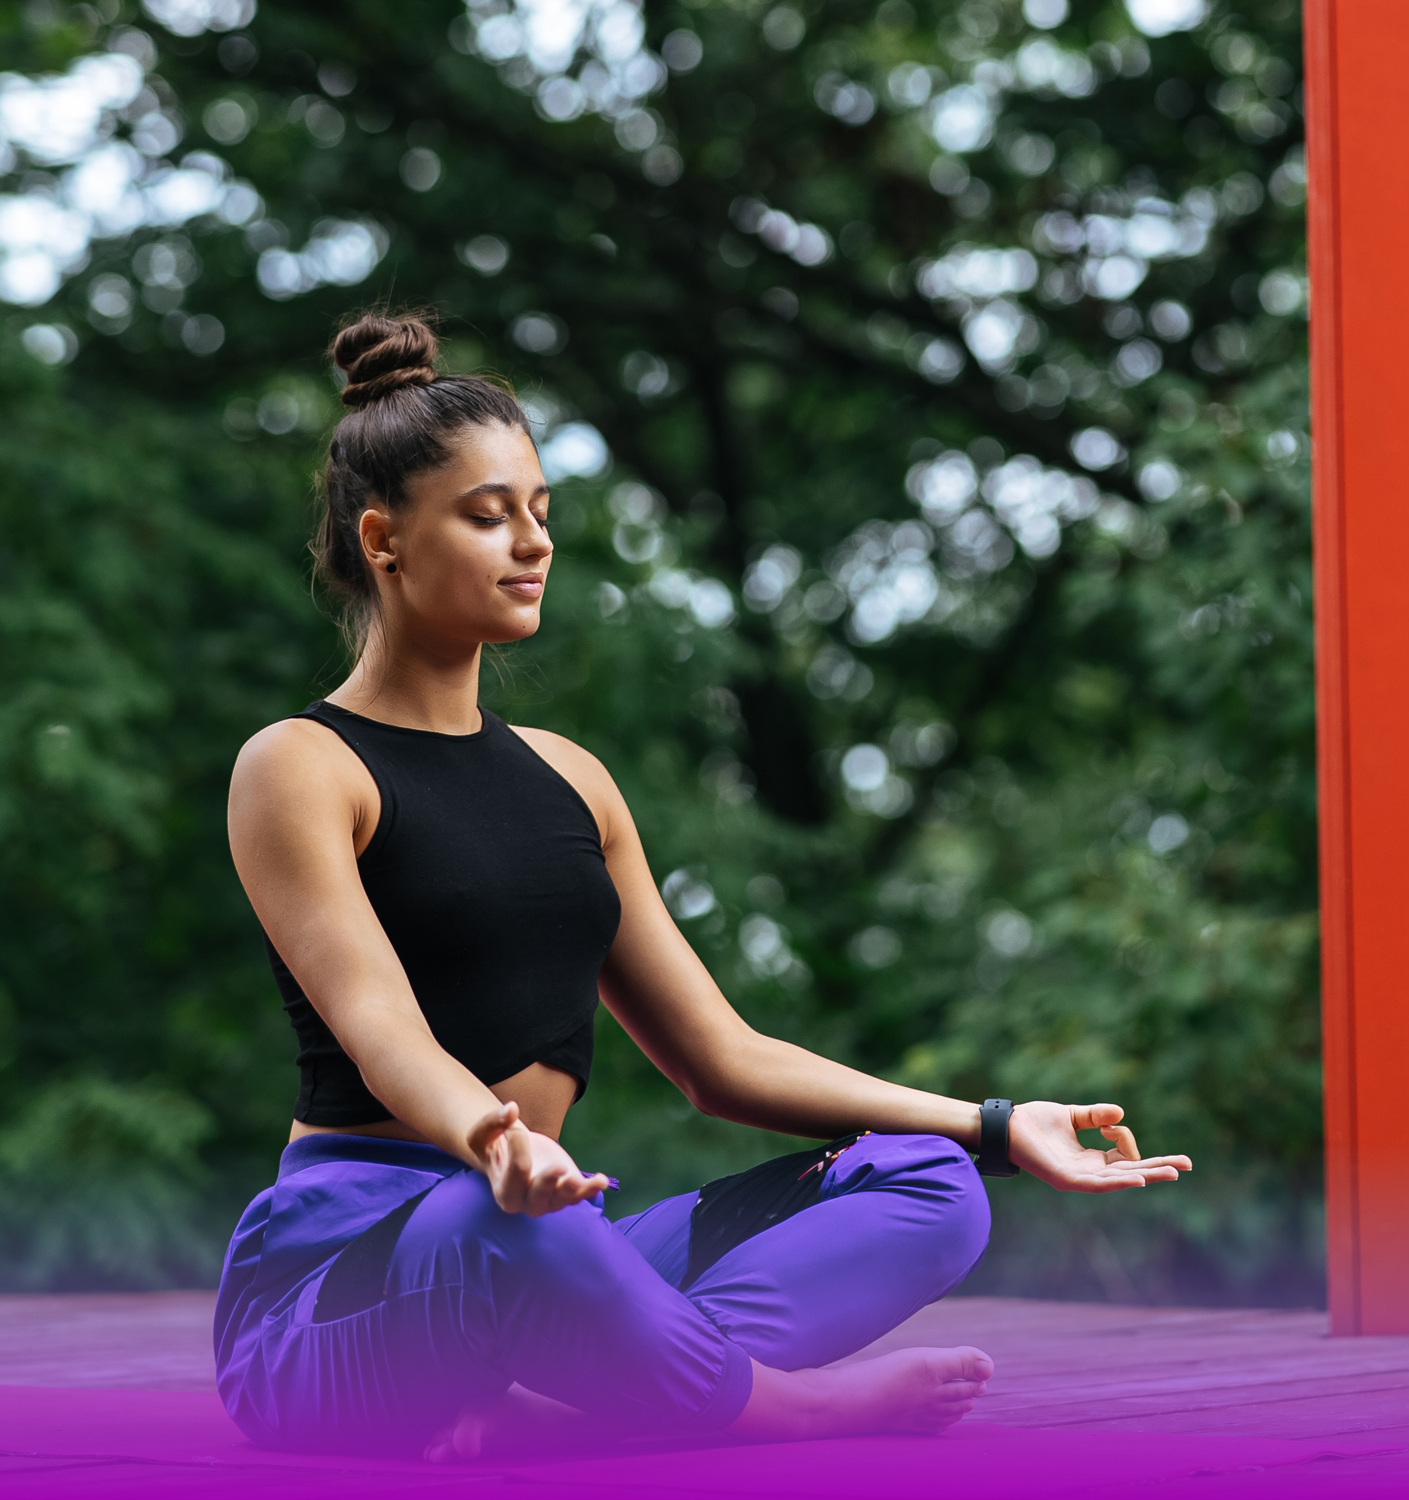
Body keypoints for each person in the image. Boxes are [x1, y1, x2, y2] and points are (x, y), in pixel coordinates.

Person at [213, 311, 1192, 1461]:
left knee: (927, 1183)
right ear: (385, 540)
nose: (532, 543)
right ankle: (775, 1409)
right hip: (336, 1300)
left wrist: (993, 1125)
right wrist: (494, 1138)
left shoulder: (573, 780)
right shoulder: (301, 764)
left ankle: (590, 1402)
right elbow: (381, 1026)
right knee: (509, 1227)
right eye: (488, 516)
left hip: (550, 1238)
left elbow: (721, 1061)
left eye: (541, 512)